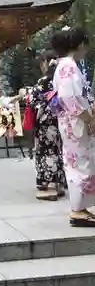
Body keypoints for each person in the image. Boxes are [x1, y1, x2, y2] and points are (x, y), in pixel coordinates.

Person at [51, 25, 95, 226]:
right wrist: (89, 117)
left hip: (72, 121)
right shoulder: (68, 66)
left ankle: (80, 207)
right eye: (85, 44)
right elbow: (70, 98)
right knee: (80, 164)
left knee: (77, 163)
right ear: (79, 44)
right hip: (76, 121)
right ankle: (77, 209)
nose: (86, 48)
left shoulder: (65, 65)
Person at [29, 50, 66, 201]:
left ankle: (51, 186)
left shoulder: (45, 81)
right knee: (57, 150)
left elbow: (32, 99)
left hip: (46, 121)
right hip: (60, 119)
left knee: (47, 151)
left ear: (46, 62)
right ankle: (58, 184)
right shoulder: (62, 78)